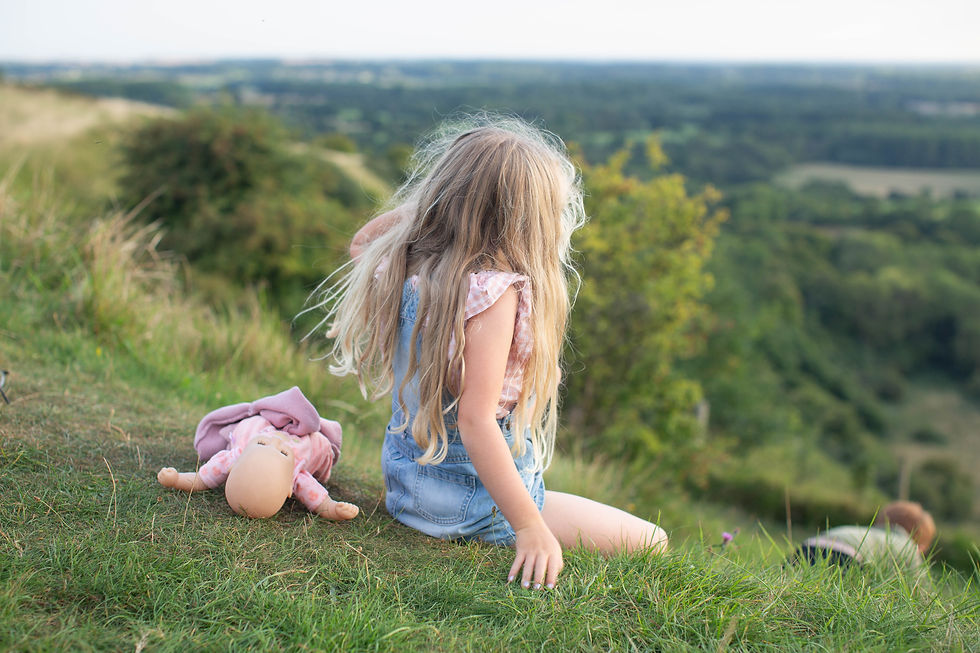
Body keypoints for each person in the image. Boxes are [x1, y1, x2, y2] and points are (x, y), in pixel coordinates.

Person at [306, 115, 667, 590]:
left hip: (408, 494)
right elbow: (475, 421)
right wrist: (530, 526)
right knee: (654, 541)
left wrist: (435, 205)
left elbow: (361, 242)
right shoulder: (494, 295)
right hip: (472, 507)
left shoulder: (408, 265)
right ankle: (520, 516)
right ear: (528, 220)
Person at [791, 501, 935, 581]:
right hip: (847, 555)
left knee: (791, 576)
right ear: (920, 545)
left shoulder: (870, 533)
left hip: (811, 544)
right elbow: (919, 589)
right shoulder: (908, 547)